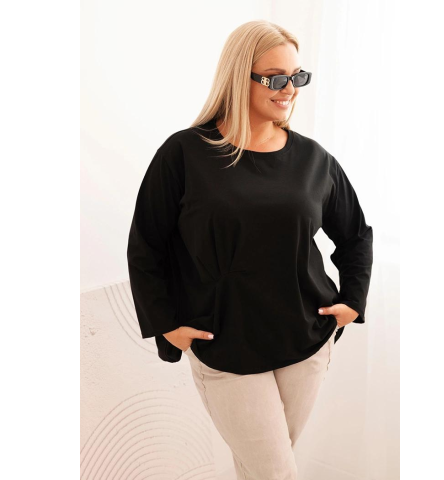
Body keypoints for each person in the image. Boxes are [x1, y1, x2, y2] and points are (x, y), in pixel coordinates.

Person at [127, 20, 373, 480]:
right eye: (276, 78)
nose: (290, 89)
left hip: (305, 342)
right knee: (275, 473)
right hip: (224, 344)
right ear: (240, 76)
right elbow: (146, 245)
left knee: (259, 471)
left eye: (297, 77)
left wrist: (353, 301)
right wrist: (165, 324)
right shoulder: (184, 154)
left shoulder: (314, 160)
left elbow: (356, 235)